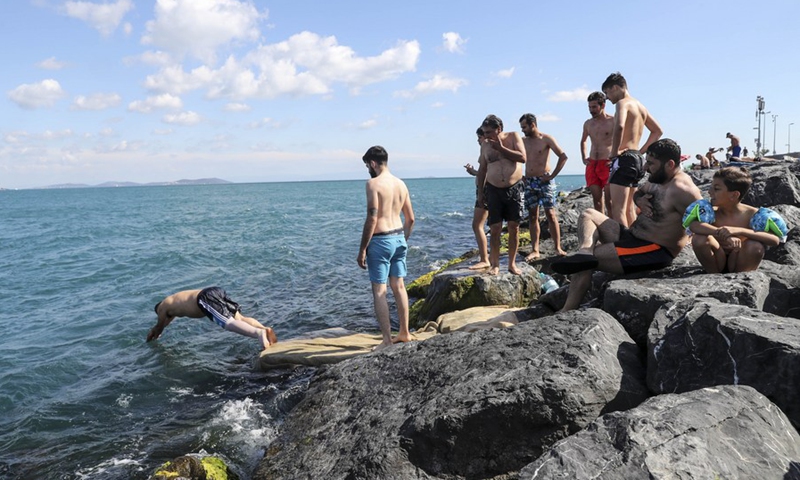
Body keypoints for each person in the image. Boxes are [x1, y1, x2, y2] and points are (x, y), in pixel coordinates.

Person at [551, 138, 702, 311]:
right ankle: (584, 251)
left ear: (669, 164)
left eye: (651, 163)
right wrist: (640, 202)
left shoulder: (684, 191)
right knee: (588, 214)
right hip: (632, 237)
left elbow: (706, 220)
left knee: (587, 261)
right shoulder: (658, 178)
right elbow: (638, 193)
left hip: (654, 250)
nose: (645, 168)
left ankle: (567, 309)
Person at [357, 145, 415, 351]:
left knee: (379, 290)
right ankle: (405, 333)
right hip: (399, 237)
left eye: (367, 166)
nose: (368, 170)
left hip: (380, 240)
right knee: (399, 286)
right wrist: (403, 240)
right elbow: (411, 218)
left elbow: (372, 217)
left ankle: (387, 341)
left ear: (373, 163)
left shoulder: (373, 184)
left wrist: (363, 248)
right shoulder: (401, 184)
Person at [688, 167, 781, 273]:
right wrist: (722, 233)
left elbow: (774, 240)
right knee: (699, 238)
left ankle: (741, 278)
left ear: (734, 195)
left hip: (739, 258)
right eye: (711, 187)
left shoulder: (754, 214)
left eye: (716, 189)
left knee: (755, 246)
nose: (709, 192)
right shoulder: (710, 212)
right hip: (718, 258)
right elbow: (694, 226)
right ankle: (713, 275)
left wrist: (739, 231)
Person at [602, 72, 663, 228]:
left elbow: (620, 126)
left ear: (615, 87)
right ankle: (635, 243)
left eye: (607, 93)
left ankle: (624, 246)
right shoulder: (640, 106)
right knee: (630, 209)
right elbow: (657, 131)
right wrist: (640, 153)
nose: (607, 98)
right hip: (636, 159)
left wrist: (614, 152)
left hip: (624, 159)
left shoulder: (622, 103)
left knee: (618, 210)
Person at [147, 287, 278, 350]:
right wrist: (160, 328)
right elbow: (166, 323)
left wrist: (152, 336)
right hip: (214, 291)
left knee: (227, 323)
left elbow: (160, 326)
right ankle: (264, 329)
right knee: (240, 318)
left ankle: (258, 334)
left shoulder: (162, 307)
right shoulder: (172, 304)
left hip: (204, 299)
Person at [476, 114, 527, 275]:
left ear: (499, 129)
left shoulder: (513, 137)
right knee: (495, 228)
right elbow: (483, 169)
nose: (486, 136)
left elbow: (522, 158)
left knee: (514, 227)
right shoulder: (484, 145)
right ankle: (495, 264)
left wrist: (501, 149)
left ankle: (512, 264)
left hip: (514, 188)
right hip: (493, 188)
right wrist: (480, 193)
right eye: (484, 132)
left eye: (489, 132)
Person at [519, 113, 568, 260]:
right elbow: (515, 158)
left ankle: (557, 248)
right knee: (532, 216)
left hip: (544, 181)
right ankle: (535, 250)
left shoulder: (546, 139)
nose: (523, 130)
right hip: (529, 181)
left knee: (551, 214)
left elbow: (563, 156)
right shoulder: (522, 141)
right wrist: (519, 175)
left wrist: (552, 175)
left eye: (524, 127)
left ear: (533, 124)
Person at [580, 91, 614, 214]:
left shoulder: (613, 121)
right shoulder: (588, 123)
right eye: (589, 107)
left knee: (610, 202)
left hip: (607, 163)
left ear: (603, 105)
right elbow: (583, 141)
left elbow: (623, 141)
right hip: (592, 164)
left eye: (594, 107)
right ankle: (601, 230)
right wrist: (584, 157)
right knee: (597, 201)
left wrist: (616, 158)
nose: (591, 110)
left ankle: (614, 230)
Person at [464, 127, 490, 269]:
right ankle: (488, 257)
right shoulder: (490, 149)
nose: (478, 141)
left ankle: (484, 258)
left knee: (477, 225)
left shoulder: (486, 149)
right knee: (490, 225)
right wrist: (473, 171)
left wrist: (481, 192)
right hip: (486, 189)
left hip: (485, 190)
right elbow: (483, 172)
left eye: (479, 138)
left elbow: (486, 173)